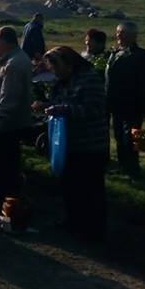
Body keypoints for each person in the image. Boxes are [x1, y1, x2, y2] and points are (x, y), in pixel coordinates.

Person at [36, 46, 108, 242]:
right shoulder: (62, 81)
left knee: (90, 189)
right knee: (70, 185)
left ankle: (93, 230)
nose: (54, 72)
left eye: (56, 67)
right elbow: (58, 103)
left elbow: (93, 109)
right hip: (68, 143)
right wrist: (47, 107)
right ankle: (73, 221)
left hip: (90, 145)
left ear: (69, 64)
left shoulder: (89, 79)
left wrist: (61, 109)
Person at [0, 26, 33, 202]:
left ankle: (4, 199)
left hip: (7, 125)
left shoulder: (14, 64)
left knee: (3, 163)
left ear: (4, 42)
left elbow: (9, 97)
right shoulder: (10, 60)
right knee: (5, 162)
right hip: (7, 123)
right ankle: (6, 196)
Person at [106, 21, 145, 179]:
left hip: (132, 104)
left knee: (131, 138)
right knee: (119, 136)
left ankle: (133, 170)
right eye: (118, 32)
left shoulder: (141, 55)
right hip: (116, 103)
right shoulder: (115, 52)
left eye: (122, 33)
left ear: (133, 36)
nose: (118, 35)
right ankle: (123, 167)